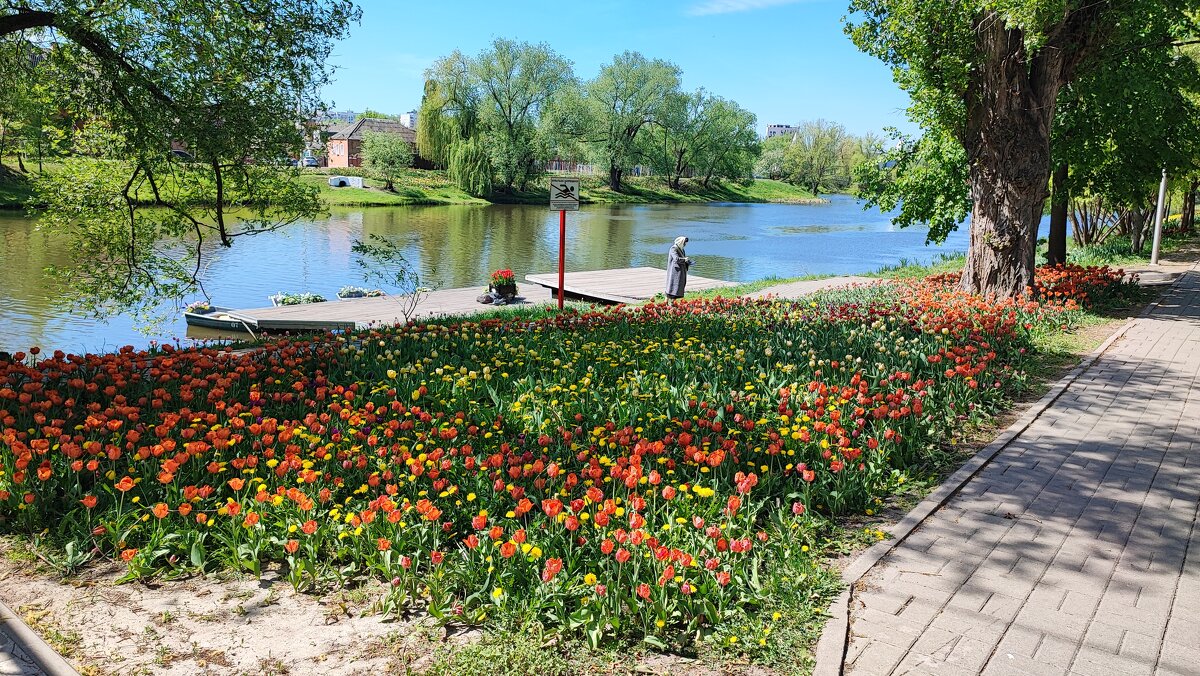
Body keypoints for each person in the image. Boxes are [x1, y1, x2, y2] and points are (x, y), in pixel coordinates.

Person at [666, 236, 691, 301]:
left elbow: (683, 258)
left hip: (681, 270)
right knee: (672, 285)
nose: (685, 244)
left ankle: (673, 302)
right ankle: (666, 302)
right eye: (684, 243)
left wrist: (687, 262)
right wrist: (684, 260)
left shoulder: (682, 249)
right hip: (674, 271)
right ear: (681, 242)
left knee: (678, 286)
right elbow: (676, 259)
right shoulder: (673, 248)